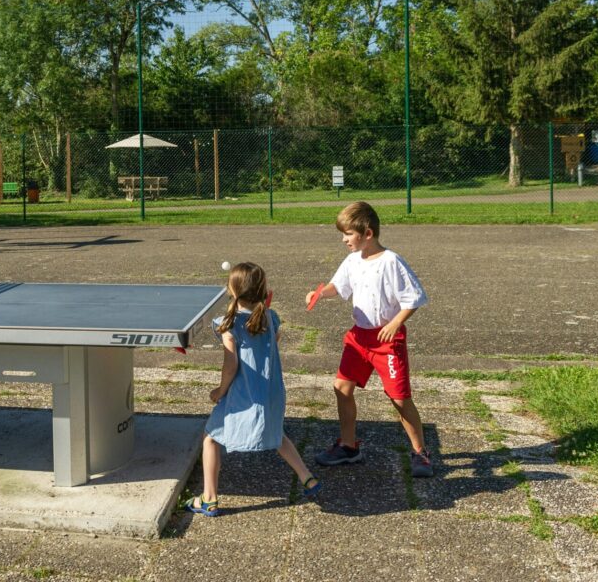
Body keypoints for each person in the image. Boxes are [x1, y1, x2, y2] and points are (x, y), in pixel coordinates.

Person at [307, 201, 433, 477]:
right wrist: (320, 294)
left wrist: (396, 323)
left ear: (368, 233)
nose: (344, 239)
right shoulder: (353, 260)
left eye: (348, 234)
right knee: (341, 387)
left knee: (399, 399)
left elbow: (414, 298)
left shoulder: (391, 261)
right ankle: (348, 446)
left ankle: (420, 452)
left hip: (387, 341)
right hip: (358, 338)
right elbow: (338, 286)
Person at [185, 262, 321, 516]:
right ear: (262, 290)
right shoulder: (270, 317)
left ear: (232, 290)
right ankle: (307, 478)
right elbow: (274, 340)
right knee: (276, 434)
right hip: (271, 391)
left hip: (242, 395)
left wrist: (220, 391)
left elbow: (231, 365)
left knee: (211, 437)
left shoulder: (229, 325)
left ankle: (209, 499)